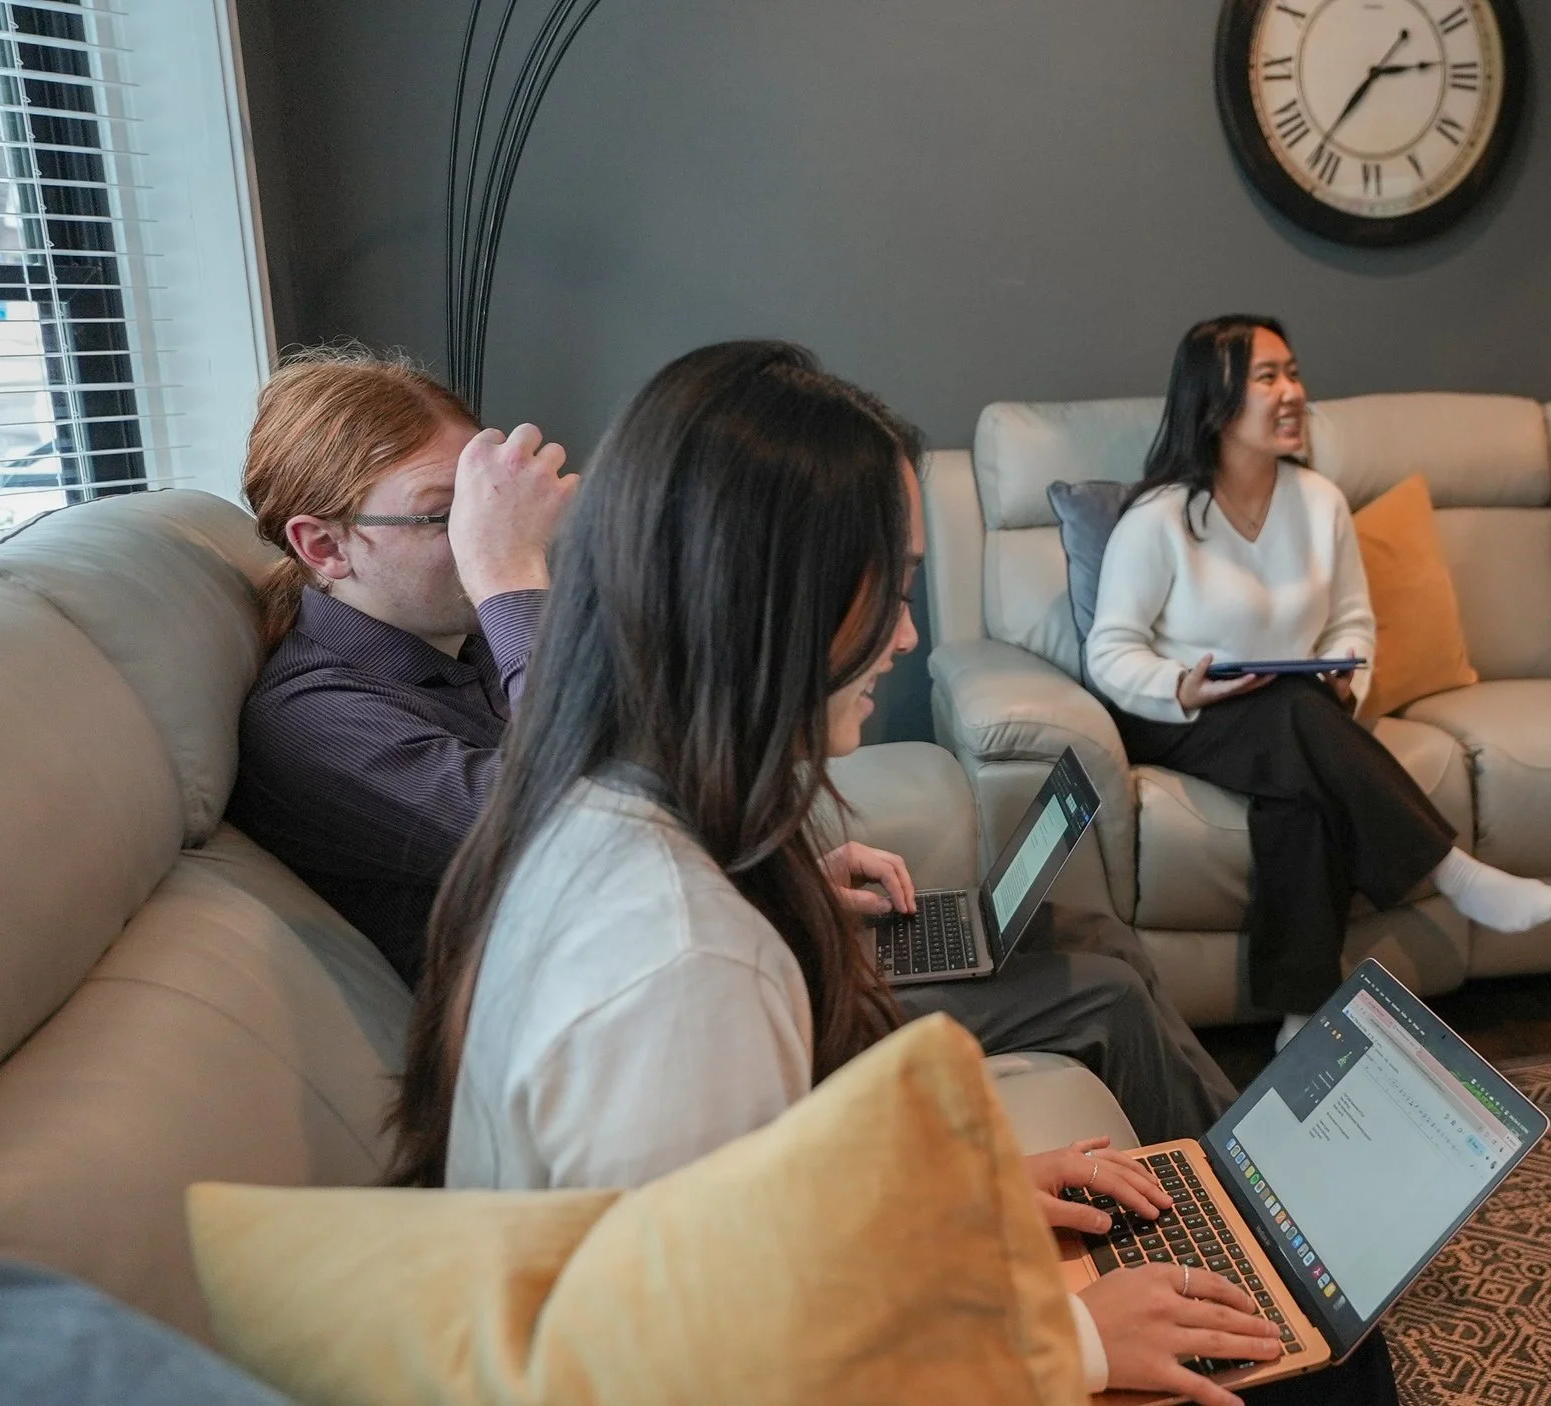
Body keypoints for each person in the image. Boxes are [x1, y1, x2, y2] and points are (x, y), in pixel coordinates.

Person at [387, 342, 1314, 1406]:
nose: (909, 636)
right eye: (900, 585)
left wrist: (956, 1196)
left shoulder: (597, 808)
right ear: (773, 595)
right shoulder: (684, 965)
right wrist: (1069, 1338)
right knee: (1294, 1364)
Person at [227, 346, 1233, 1143]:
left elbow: (641, 791)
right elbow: (573, 832)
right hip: (585, 1034)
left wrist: (781, 870)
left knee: (1086, 936)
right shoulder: (314, 718)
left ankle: (1250, 1209)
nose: (480, 535)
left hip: (627, 975)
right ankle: (1259, 1267)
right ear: (324, 545)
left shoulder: (461, 648)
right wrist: (506, 577)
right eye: (447, 517)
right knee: (1095, 992)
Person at [1086, 315, 1551, 1049]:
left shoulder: (1320, 503)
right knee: (1291, 714)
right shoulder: (1160, 519)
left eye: (1294, 374)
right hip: (1180, 712)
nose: (1292, 393)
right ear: (1213, 402)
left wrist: (1348, 678)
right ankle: (1450, 867)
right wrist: (1182, 686)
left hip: (1296, 710)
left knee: (1300, 788)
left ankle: (1303, 1017)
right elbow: (1110, 651)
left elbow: (1352, 623)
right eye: (1267, 378)